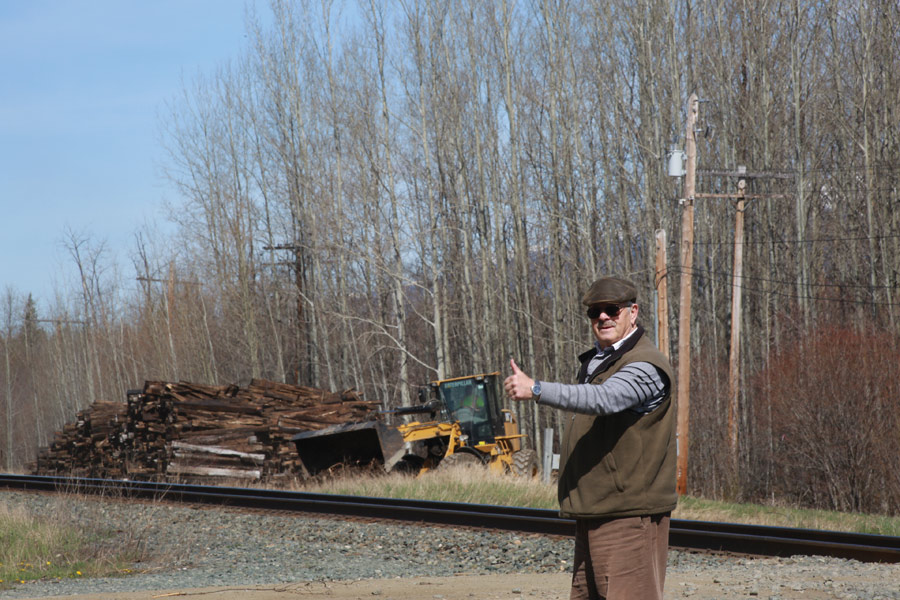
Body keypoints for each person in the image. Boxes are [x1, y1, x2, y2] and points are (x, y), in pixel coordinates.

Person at [504, 276, 675, 600]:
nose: (603, 317)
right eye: (595, 312)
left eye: (612, 309)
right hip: (596, 511)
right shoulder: (600, 361)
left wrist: (537, 389)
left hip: (627, 515)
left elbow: (606, 399)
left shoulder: (646, 365)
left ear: (633, 312)